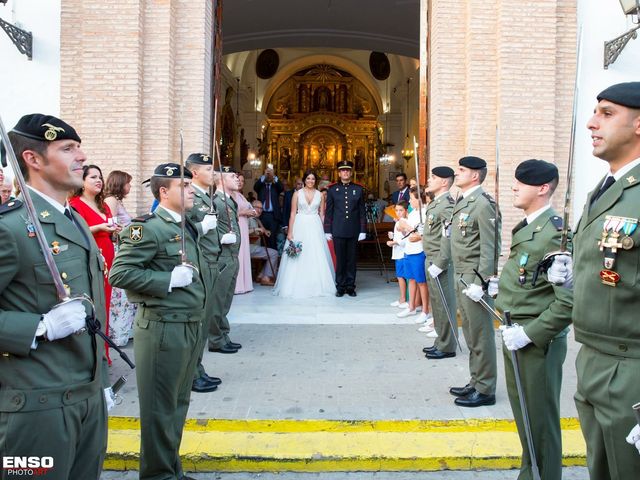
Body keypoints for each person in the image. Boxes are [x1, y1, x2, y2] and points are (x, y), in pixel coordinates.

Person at [0, 113, 109, 479]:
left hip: (87, 397)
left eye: (79, 147)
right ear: (32, 159)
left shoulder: (74, 218)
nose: (81, 157)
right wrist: (39, 327)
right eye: (67, 149)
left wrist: (99, 384)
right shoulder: (11, 228)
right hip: (39, 409)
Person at [549, 81, 640, 478]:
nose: (591, 123)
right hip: (593, 358)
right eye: (594, 112)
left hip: (632, 369)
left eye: (607, 113)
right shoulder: (604, 190)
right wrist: (573, 279)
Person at [109, 163, 205, 480]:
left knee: (177, 404)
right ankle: (157, 476)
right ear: (164, 191)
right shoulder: (147, 228)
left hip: (188, 324)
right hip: (163, 327)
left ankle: (169, 471)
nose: (191, 190)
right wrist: (167, 279)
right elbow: (120, 273)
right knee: (159, 410)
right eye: (184, 186)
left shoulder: (184, 224)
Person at [491, 159, 573, 480]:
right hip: (516, 333)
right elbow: (530, 283)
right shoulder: (528, 227)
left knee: (540, 424)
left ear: (542, 189)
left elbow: (568, 302)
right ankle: (530, 474)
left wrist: (530, 333)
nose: (514, 186)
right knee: (525, 420)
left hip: (536, 342)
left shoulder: (554, 232)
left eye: (521, 182)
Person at [449, 155, 501, 407]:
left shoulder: (482, 203)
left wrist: (482, 282)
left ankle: (486, 388)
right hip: (462, 275)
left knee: (481, 335)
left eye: (461, 170)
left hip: (473, 278)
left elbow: (490, 247)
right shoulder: (465, 200)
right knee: (470, 333)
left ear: (475, 175)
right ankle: (476, 380)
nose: (456, 173)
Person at [70, 164, 120, 364]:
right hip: (89, 257)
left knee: (105, 305)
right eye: (93, 177)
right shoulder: (74, 204)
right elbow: (73, 233)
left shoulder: (103, 205)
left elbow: (110, 228)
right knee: (91, 305)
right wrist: (98, 227)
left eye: (100, 177)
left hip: (107, 257)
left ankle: (104, 353)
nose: (99, 180)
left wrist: (115, 230)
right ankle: (90, 356)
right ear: (82, 181)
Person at [185, 153, 223, 394]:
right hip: (201, 261)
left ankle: (197, 368)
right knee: (198, 321)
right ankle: (191, 373)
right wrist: (202, 227)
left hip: (211, 259)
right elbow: (181, 230)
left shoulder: (205, 196)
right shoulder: (190, 195)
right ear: (196, 172)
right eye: (209, 169)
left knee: (205, 318)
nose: (214, 174)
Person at [274, 170, 335, 298]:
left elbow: (322, 214)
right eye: (308, 179)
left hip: (315, 225)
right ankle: (294, 285)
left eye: (313, 179)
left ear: (315, 180)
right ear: (304, 180)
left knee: (315, 254)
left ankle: (316, 285)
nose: (311, 181)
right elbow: (292, 213)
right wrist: (290, 232)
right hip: (300, 224)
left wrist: (326, 231)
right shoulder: (297, 194)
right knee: (298, 254)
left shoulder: (320, 195)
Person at [423, 166, 459, 360]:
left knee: (444, 304)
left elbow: (449, 236)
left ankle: (447, 346)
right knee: (437, 303)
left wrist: (441, 262)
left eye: (433, 177)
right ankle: (441, 340)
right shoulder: (436, 203)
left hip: (439, 260)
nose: (429, 180)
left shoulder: (446, 204)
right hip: (430, 257)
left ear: (444, 182)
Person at [208, 166, 242, 354]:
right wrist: (219, 239)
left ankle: (223, 334)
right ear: (220, 179)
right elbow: (207, 229)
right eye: (232, 175)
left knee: (226, 299)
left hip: (232, 256)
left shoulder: (228, 201)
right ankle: (215, 339)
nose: (237, 178)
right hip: (223, 256)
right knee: (218, 300)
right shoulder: (216, 202)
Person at [104, 169, 137, 347]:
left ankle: (125, 330)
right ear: (119, 184)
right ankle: (116, 334)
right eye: (127, 183)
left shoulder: (117, 201)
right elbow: (113, 227)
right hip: (118, 248)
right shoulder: (111, 200)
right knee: (119, 295)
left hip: (124, 246)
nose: (130, 186)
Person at [324, 160, 367, 297]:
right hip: (338, 230)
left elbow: (362, 212)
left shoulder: (359, 189)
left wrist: (363, 230)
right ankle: (340, 286)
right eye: (343, 170)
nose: (345, 172)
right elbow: (329, 211)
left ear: (351, 172)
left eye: (347, 170)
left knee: (352, 260)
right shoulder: (332, 189)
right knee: (341, 259)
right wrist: (327, 230)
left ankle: (350, 286)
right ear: (339, 173)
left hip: (353, 230)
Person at [396, 188, 434, 329]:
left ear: (419, 199)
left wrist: (406, 226)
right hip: (408, 249)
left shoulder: (424, 213)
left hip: (418, 250)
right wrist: (403, 227)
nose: (410, 201)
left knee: (421, 282)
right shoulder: (412, 213)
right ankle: (411, 306)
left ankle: (425, 310)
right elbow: (406, 230)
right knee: (410, 279)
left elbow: (421, 232)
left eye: (412, 198)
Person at [234, 172, 258, 294]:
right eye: (238, 179)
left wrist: (251, 213)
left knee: (244, 253)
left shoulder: (240, 195)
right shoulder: (231, 195)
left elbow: (246, 209)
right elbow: (229, 213)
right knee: (238, 254)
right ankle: (237, 285)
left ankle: (245, 284)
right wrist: (245, 213)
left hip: (243, 225)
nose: (240, 182)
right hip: (237, 225)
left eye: (243, 181)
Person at [249, 200, 279, 285]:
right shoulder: (247, 218)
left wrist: (264, 231)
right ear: (251, 207)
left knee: (271, 252)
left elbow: (262, 229)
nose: (259, 210)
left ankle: (260, 275)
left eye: (261, 208)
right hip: (248, 248)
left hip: (254, 247)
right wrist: (255, 230)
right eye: (257, 207)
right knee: (274, 253)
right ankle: (265, 278)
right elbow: (242, 232)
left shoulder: (256, 219)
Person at [254, 166, 284, 249]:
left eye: (270, 175)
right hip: (262, 215)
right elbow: (255, 187)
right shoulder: (260, 187)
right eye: (267, 174)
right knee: (263, 237)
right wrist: (264, 175)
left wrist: (273, 175)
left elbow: (281, 187)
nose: (268, 176)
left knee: (272, 238)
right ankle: (264, 259)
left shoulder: (275, 187)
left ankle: (272, 257)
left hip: (273, 216)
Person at [387, 201, 409, 308]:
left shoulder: (404, 222)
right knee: (400, 276)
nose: (398, 212)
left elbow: (407, 237)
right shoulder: (398, 221)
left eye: (401, 210)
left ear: (406, 211)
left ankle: (403, 299)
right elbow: (399, 235)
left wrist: (394, 242)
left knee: (402, 277)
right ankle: (402, 298)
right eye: (396, 210)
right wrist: (393, 236)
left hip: (402, 252)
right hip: (398, 252)